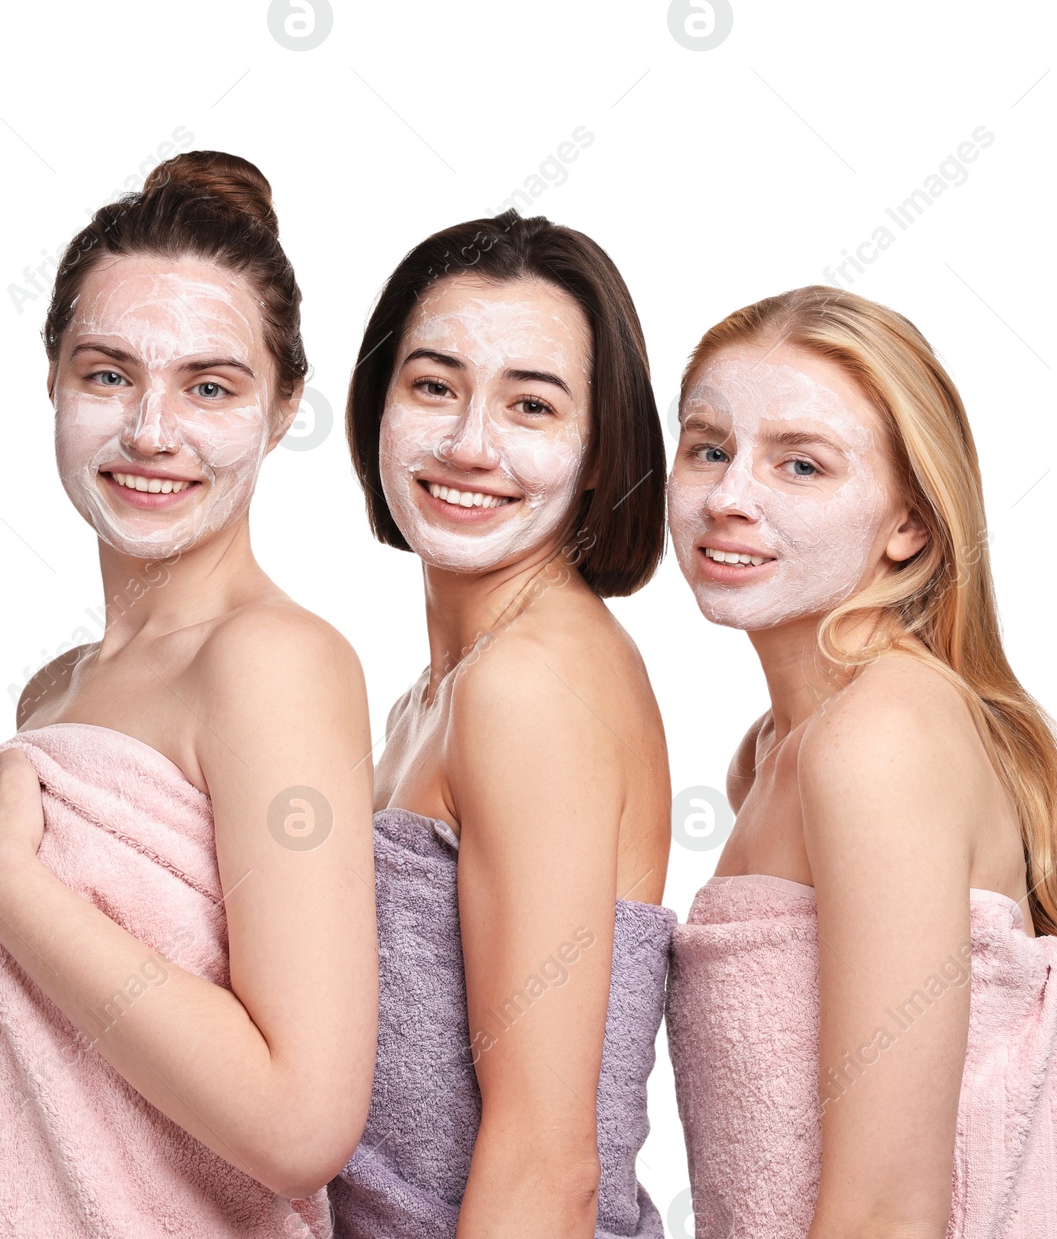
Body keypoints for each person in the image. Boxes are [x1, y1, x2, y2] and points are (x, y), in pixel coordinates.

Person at [0, 152, 378, 1239]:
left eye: (210, 385)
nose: (152, 431)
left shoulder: (272, 662)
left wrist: (8, 883)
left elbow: (302, 1123)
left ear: (285, 405)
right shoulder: (57, 690)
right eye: (108, 375)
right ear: (52, 377)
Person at [663, 286, 1057, 1238]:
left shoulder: (879, 738)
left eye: (800, 464)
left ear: (909, 527)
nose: (729, 495)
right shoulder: (772, 753)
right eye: (709, 447)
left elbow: (890, 1212)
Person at [328, 210, 673, 1239]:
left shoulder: (530, 686)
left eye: (531, 404)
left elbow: (544, 1162)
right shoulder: (426, 701)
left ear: (599, 450)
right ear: (374, 408)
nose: (469, 444)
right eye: (433, 386)